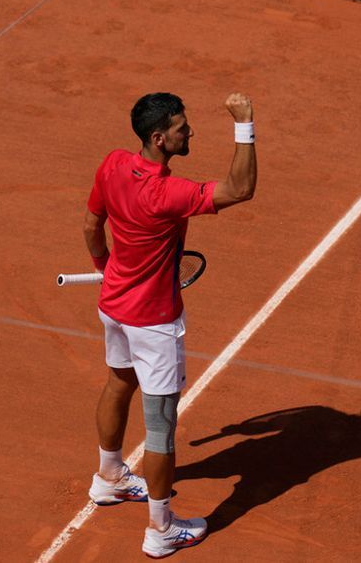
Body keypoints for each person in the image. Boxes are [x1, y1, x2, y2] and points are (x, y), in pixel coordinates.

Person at [82, 92, 257, 557]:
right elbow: (240, 189)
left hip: (113, 305)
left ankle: (110, 478)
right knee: (160, 428)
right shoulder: (167, 194)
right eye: (182, 128)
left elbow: (90, 226)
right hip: (154, 324)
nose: (190, 132)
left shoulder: (113, 164)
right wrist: (244, 125)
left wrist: (104, 267)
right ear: (159, 139)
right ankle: (161, 529)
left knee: (119, 382)